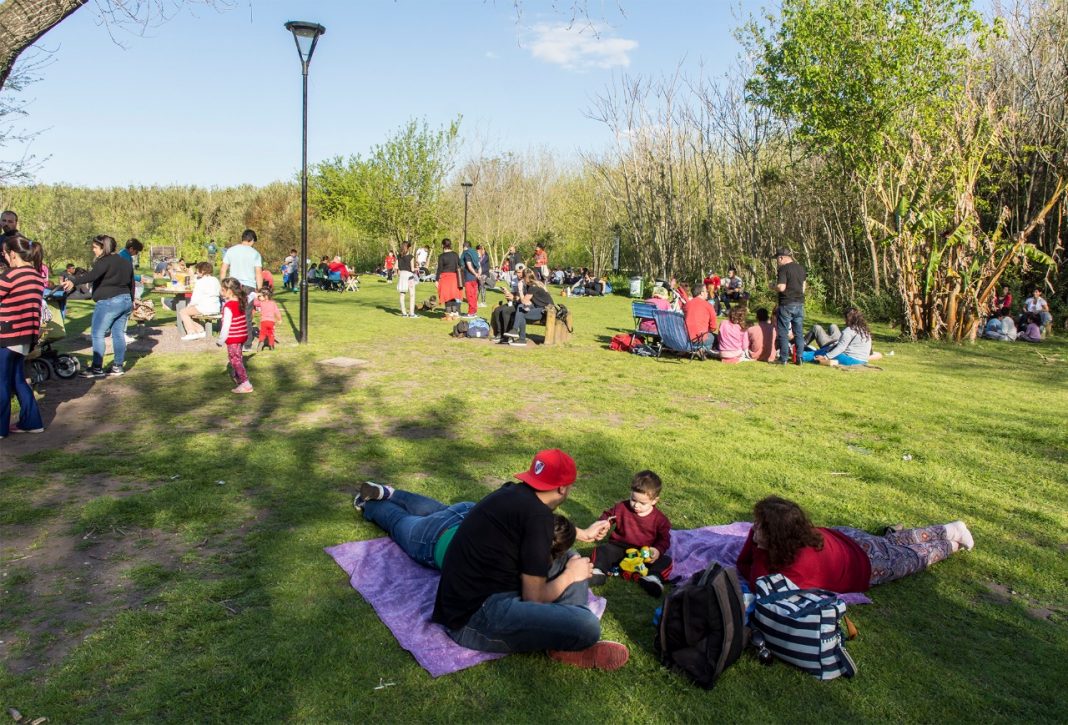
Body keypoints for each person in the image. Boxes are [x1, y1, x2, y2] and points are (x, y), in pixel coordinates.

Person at [432, 449, 628, 671]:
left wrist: (582, 534)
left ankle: (562, 634)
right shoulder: (538, 519)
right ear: (563, 488)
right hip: (472, 618)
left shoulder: (513, 493)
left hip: (486, 592)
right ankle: (566, 636)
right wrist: (570, 576)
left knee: (570, 555)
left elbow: (538, 530)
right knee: (588, 626)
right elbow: (533, 596)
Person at [736, 495, 973, 593]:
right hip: (845, 539)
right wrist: (757, 544)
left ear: (778, 537)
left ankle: (952, 542)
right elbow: (742, 564)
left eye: (760, 527)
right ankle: (951, 529)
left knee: (913, 557)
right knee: (891, 541)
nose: (753, 529)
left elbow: (758, 584)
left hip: (866, 563)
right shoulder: (778, 541)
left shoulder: (797, 564)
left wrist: (757, 552)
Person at [354, 481, 577, 571]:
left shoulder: (525, 522)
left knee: (438, 509)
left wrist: (576, 533)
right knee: (397, 522)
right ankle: (369, 505)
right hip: (435, 539)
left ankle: (390, 493)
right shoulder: (522, 565)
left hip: (467, 512)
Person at [589, 471, 673, 597]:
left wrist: (657, 550)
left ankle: (653, 579)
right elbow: (608, 515)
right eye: (633, 499)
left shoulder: (660, 520)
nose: (636, 505)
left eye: (642, 503)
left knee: (666, 560)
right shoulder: (622, 507)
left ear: (655, 500)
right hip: (619, 548)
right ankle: (598, 572)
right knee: (602, 550)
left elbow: (664, 539)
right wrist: (604, 523)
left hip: (643, 554)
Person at [62, 235, 134, 378]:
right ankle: (117, 366)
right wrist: (132, 300)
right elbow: (131, 283)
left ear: (103, 247)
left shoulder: (104, 261)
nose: (93, 250)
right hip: (125, 300)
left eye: (95, 247)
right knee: (118, 334)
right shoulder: (125, 261)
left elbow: (91, 276)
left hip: (109, 301)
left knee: (97, 333)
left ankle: (96, 368)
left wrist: (73, 281)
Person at [0, 234, 46, 438]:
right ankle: (32, 421)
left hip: (6, 335)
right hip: (26, 337)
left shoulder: (11, 276)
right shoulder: (37, 277)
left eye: (4, 254)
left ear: (12, 254)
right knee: (18, 379)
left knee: (1, 382)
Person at [771, 248, 806, 365]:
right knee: (799, 332)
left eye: (777, 259)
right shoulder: (800, 268)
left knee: (783, 331)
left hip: (786, 303)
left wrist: (772, 286)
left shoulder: (783, 269)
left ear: (781, 257)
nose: (777, 262)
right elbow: (803, 287)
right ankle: (800, 357)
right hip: (799, 303)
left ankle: (783, 358)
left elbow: (781, 287)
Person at [218, 277, 252, 393]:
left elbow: (225, 326)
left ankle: (245, 383)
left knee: (235, 360)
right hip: (243, 335)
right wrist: (256, 294)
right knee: (238, 356)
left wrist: (221, 340)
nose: (221, 292)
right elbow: (251, 296)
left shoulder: (228, 306)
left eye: (223, 290)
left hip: (234, 337)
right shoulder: (242, 300)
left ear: (230, 291)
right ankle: (238, 378)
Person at [804, 308, 872, 366]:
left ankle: (800, 355)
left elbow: (840, 348)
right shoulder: (865, 330)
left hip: (850, 359)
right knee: (825, 350)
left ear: (848, 319)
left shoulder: (849, 330)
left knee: (816, 354)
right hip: (863, 361)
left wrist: (826, 357)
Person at [504, 269, 553, 347]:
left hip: (546, 312)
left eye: (522, 277)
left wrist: (520, 289)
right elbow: (528, 302)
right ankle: (519, 336)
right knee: (521, 309)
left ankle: (518, 334)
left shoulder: (533, 286)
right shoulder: (535, 284)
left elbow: (524, 301)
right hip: (541, 308)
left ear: (524, 278)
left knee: (521, 310)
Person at [177, 262, 222, 341]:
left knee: (183, 312)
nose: (196, 272)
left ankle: (191, 332)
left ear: (203, 271)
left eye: (197, 270)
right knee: (192, 311)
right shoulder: (215, 280)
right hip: (215, 307)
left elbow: (195, 298)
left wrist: (189, 305)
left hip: (204, 307)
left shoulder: (200, 282)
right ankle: (200, 330)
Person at [219, 229, 263, 309]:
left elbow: (223, 270)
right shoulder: (256, 254)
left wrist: (223, 286)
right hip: (249, 287)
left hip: (233, 285)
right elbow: (258, 273)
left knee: (232, 310)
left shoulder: (230, 251)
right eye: (253, 242)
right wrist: (259, 290)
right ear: (252, 240)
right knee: (246, 314)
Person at [682, 281, 718, 352]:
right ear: (701, 293)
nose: (707, 293)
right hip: (700, 337)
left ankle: (695, 349)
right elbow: (713, 327)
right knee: (715, 338)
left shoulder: (687, 305)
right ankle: (703, 349)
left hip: (685, 336)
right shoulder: (708, 305)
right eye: (706, 291)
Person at [435, 239, 463, 319]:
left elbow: (439, 269)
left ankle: (448, 314)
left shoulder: (441, 256)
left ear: (443, 245)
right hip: (454, 277)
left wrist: (436, 280)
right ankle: (454, 313)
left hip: (445, 277)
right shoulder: (455, 254)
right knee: (453, 295)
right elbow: (460, 265)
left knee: (446, 296)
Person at [254, 286, 282, 350]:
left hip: (263, 321)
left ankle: (261, 342)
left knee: (262, 333)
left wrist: (255, 296)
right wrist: (279, 319)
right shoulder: (273, 303)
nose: (259, 297)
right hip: (271, 322)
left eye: (260, 296)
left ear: (266, 296)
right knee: (270, 334)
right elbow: (277, 311)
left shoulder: (261, 303)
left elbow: (255, 303)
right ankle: (271, 345)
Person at [395, 241, 418, 318]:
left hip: (402, 275)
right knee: (412, 295)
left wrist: (398, 272)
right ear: (409, 248)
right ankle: (411, 313)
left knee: (402, 294)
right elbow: (412, 269)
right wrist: (417, 268)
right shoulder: (411, 257)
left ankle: (404, 313)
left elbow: (396, 267)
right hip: (409, 277)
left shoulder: (399, 256)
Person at [460, 240, 481, 317]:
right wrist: (479, 274)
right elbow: (479, 265)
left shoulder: (466, 254)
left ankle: (471, 313)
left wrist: (475, 274)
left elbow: (469, 266)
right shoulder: (475, 253)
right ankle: (474, 312)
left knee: (470, 295)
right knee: (474, 295)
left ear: (464, 246)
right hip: (475, 278)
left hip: (469, 277)